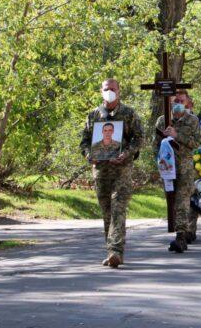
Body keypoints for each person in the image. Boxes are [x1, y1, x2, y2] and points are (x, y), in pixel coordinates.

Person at [79, 79, 143, 268]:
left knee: (118, 207)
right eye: (106, 89)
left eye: (113, 89)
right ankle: (111, 251)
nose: (110, 92)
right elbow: (84, 142)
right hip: (101, 171)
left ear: (119, 91)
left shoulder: (128, 113)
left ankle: (116, 251)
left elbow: (139, 138)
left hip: (121, 170)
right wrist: (89, 155)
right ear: (101, 91)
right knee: (107, 211)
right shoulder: (93, 115)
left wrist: (127, 153)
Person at [154, 89, 201, 254]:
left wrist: (177, 135)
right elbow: (156, 145)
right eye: (175, 101)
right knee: (173, 201)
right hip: (168, 168)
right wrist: (159, 163)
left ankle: (181, 236)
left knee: (182, 200)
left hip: (185, 168)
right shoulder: (162, 121)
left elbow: (196, 143)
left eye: (181, 101)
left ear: (187, 102)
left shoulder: (192, 120)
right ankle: (181, 230)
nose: (178, 104)